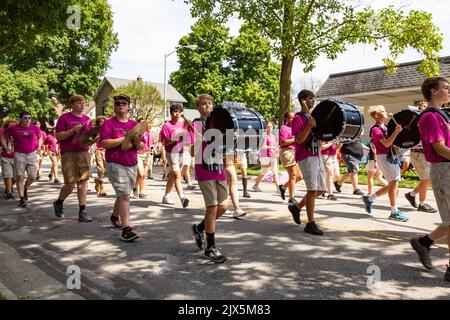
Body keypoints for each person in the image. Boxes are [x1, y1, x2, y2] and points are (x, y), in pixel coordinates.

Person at [410, 76, 450, 281]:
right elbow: (440, 149)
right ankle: (424, 243)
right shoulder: (430, 117)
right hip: (444, 169)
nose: (449, 90)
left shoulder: (442, 115)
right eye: (446, 87)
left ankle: (424, 242)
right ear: (433, 91)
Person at [100, 94, 144, 241]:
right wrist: (124, 139)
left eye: (124, 103)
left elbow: (142, 146)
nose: (120, 105)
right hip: (115, 164)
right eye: (118, 103)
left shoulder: (133, 125)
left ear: (128, 107)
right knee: (125, 196)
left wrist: (137, 142)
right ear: (114, 106)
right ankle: (126, 229)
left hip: (131, 164)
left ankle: (114, 216)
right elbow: (105, 143)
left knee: (122, 194)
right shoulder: (108, 124)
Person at [191, 94, 228, 263]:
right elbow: (193, 151)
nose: (206, 106)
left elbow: (225, 147)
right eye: (203, 104)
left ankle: (199, 228)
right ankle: (210, 247)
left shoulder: (219, 124)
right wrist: (201, 141)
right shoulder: (197, 124)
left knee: (223, 207)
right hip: (205, 168)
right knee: (212, 207)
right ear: (198, 107)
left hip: (219, 167)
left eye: (209, 103)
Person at [362, 105, 409, 222]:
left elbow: (394, 141)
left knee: (393, 184)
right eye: (383, 111)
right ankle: (394, 211)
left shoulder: (387, 127)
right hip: (384, 157)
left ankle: (370, 199)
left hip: (392, 156)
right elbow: (387, 143)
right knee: (393, 184)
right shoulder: (375, 129)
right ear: (377, 115)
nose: (386, 112)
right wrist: (396, 132)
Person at [288, 89, 324, 235]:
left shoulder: (312, 117)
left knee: (320, 190)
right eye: (310, 98)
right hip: (306, 156)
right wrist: (309, 126)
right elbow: (299, 139)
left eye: (313, 98)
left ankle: (296, 208)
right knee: (312, 190)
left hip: (317, 154)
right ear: (303, 100)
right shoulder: (298, 118)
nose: (313, 101)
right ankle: (310, 223)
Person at [53, 95, 93, 222]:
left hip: (83, 153)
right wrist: (72, 131)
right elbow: (58, 137)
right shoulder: (64, 118)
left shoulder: (87, 119)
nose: (82, 105)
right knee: (70, 183)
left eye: (83, 103)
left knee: (83, 182)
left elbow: (90, 137)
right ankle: (59, 202)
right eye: (79, 103)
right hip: (68, 153)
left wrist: (93, 139)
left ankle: (82, 211)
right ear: (72, 105)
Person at [2, 111, 41, 208]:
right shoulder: (14, 128)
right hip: (19, 155)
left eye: (29, 118)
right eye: (25, 118)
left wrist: (39, 147)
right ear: (20, 119)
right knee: (20, 177)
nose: (27, 120)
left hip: (32, 154)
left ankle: (25, 188)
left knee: (33, 176)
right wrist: (6, 148)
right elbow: (3, 136)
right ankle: (22, 199)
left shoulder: (35, 128)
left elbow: (40, 137)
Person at [404, 102, 437, 213]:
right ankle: (422, 204)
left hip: (421, 153)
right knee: (426, 179)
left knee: (427, 179)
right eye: (424, 107)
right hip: (420, 153)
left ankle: (411, 194)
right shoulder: (417, 121)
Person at [160, 104, 191, 208]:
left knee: (173, 175)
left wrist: (187, 127)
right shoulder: (166, 126)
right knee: (177, 175)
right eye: (175, 111)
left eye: (179, 112)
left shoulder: (183, 124)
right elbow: (166, 142)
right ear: (171, 113)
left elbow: (187, 139)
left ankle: (166, 196)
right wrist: (176, 137)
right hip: (171, 153)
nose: (177, 114)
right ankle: (183, 198)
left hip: (181, 152)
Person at [278, 111, 303, 203]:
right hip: (287, 151)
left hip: (296, 152)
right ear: (286, 119)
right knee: (293, 175)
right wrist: (295, 138)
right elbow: (283, 142)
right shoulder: (284, 128)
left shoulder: (297, 128)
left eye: (294, 117)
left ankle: (283, 187)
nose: (293, 119)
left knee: (300, 177)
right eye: (291, 117)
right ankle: (292, 198)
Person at [252, 121, 281, 193]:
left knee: (275, 172)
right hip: (264, 156)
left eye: (270, 127)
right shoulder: (264, 136)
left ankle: (278, 188)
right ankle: (255, 185)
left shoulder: (273, 136)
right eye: (268, 127)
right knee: (263, 172)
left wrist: (277, 149)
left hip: (272, 155)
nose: (269, 128)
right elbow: (262, 146)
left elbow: (275, 146)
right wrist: (272, 147)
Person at [133, 119, 153, 198]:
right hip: (138, 154)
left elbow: (151, 144)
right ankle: (135, 188)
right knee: (140, 174)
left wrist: (151, 150)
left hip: (148, 154)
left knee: (144, 175)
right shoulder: (136, 134)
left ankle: (141, 192)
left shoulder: (149, 133)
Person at [0, 119, 17, 200]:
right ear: (7, 126)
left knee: (16, 177)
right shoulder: (2, 132)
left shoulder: (17, 133)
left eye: (13, 126)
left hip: (16, 157)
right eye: (10, 126)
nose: (12, 127)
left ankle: (8, 188)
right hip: (5, 156)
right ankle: (9, 193)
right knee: (8, 175)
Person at [92, 116, 107, 197]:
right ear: (98, 123)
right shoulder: (95, 131)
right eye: (100, 121)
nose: (102, 123)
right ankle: (101, 188)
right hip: (99, 151)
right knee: (101, 169)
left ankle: (97, 181)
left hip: (107, 151)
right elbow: (89, 139)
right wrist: (96, 137)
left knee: (106, 171)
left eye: (103, 121)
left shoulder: (108, 130)